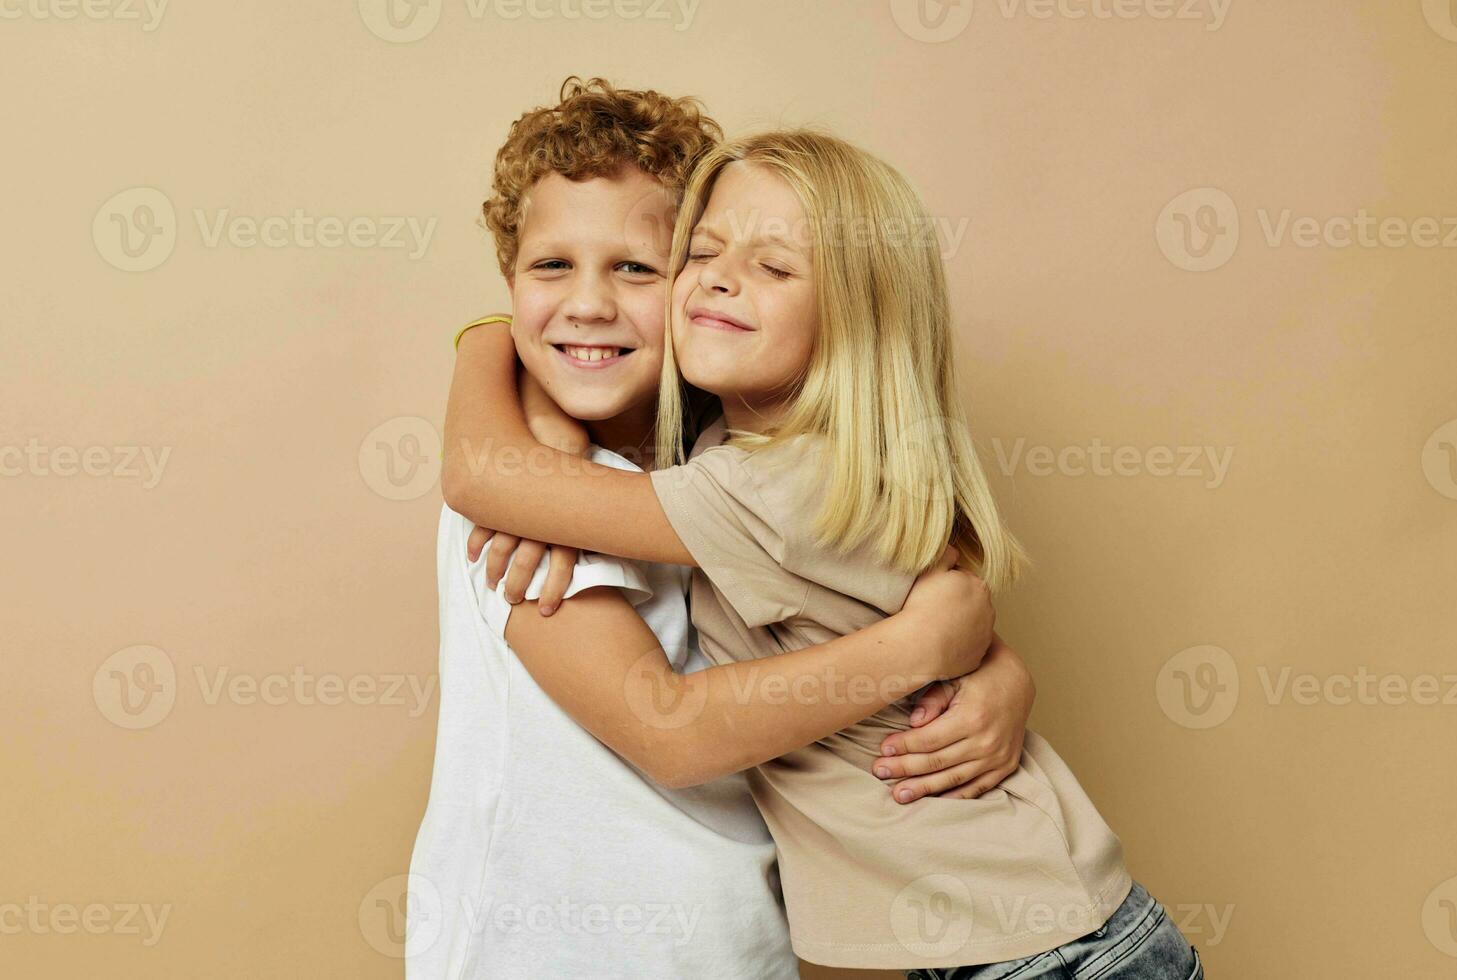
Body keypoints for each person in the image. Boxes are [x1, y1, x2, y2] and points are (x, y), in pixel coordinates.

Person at [444, 129, 1205, 977]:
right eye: (706, 253)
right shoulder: (728, 450)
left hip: (1044, 956)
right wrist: (960, 658)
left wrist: (485, 339)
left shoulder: (770, 484)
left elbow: (486, 478)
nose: (727, 278)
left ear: (853, 315)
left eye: (775, 269)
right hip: (1024, 940)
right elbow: (922, 614)